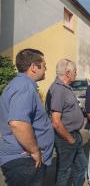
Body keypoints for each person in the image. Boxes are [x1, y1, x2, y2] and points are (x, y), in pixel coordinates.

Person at [0, 48, 54, 186]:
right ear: (33, 67)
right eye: (44, 65)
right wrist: (35, 150)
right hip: (25, 160)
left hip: (23, 159)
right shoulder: (24, 86)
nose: (46, 69)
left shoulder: (19, 85)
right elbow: (18, 123)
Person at [45, 59, 87, 186]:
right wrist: (69, 139)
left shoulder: (65, 87)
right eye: (75, 71)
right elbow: (56, 122)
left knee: (80, 165)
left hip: (74, 135)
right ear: (68, 72)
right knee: (65, 171)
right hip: (65, 137)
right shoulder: (58, 90)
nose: (76, 73)